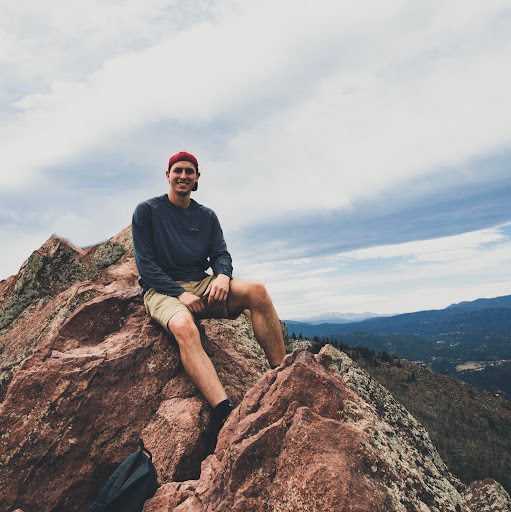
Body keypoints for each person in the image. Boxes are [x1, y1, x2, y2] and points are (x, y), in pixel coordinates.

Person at [132, 151, 286, 423]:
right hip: (162, 290)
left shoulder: (206, 216)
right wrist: (180, 294)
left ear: (197, 177)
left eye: (189, 171)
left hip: (201, 283)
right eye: (178, 170)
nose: (183, 176)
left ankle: (283, 374)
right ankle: (223, 411)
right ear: (167, 175)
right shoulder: (147, 211)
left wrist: (223, 276)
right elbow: (146, 266)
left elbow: (220, 254)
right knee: (184, 326)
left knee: (257, 290)